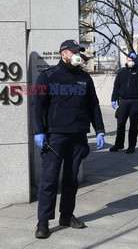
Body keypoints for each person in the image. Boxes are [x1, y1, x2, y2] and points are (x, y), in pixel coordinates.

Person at [32, 39, 106, 239]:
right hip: (55, 136)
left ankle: (66, 215)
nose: (78, 55)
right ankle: (43, 221)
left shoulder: (84, 78)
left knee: (71, 179)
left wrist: (99, 129)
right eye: (74, 51)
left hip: (78, 136)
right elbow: (37, 105)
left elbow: (94, 106)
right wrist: (38, 130)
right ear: (63, 54)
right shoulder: (47, 76)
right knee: (49, 180)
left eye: (79, 52)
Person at [110, 52, 138, 153]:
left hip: (135, 101)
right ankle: (118, 144)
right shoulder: (121, 72)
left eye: (132, 60)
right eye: (129, 59)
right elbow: (116, 87)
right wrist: (113, 99)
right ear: (126, 60)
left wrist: (137, 59)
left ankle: (131, 146)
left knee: (133, 124)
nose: (131, 62)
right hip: (123, 101)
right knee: (121, 123)